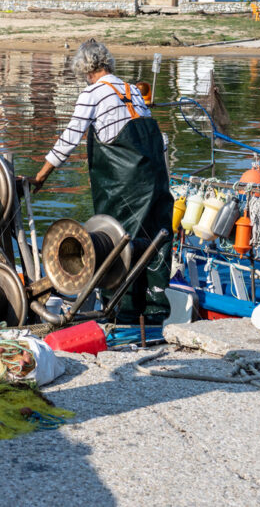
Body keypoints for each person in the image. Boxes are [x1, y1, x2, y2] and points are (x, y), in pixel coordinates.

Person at [31, 38, 173, 325]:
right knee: (156, 237)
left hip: (125, 183)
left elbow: (70, 137)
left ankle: (124, 313)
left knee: (121, 241)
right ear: (107, 62)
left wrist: (41, 175)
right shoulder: (132, 90)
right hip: (155, 176)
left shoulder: (92, 94)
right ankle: (155, 311)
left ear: (85, 69)